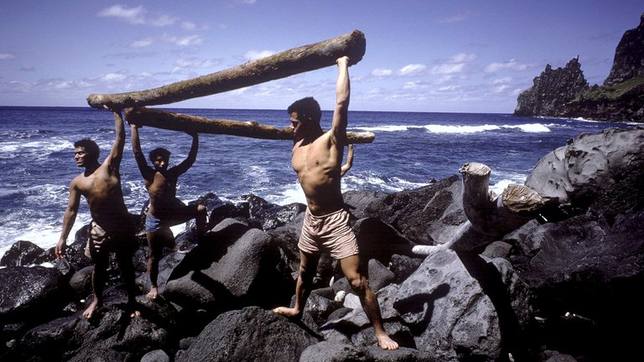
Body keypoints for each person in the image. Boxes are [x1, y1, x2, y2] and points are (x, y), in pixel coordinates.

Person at [273, 56, 399, 350]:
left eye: (293, 121)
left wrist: (342, 64)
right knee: (305, 272)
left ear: (306, 120)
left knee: (357, 281)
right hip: (310, 221)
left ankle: (380, 332)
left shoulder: (331, 141)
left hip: (335, 221)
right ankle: (297, 309)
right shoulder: (297, 144)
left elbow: (341, 103)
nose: (289, 126)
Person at [56, 111, 139, 320]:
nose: (76, 156)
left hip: (122, 225)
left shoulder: (109, 167)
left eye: (80, 153)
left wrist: (116, 112)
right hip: (99, 229)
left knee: (126, 265)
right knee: (99, 267)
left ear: (92, 154)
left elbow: (120, 139)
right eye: (75, 153)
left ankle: (133, 301)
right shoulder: (77, 182)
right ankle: (97, 300)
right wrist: (62, 238)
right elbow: (71, 211)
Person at [130, 124, 207, 300]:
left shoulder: (173, 173)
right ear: (153, 161)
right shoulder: (149, 175)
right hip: (155, 221)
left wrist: (195, 137)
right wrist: (134, 127)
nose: (162, 162)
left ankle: (203, 241)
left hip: (173, 215)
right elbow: (137, 153)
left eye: (164, 159)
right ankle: (154, 287)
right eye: (158, 160)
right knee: (154, 255)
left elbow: (190, 160)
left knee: (201, 209)